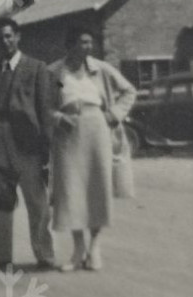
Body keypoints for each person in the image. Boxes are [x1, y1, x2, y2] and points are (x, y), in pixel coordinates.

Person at [47, 26, 137, 272]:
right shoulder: (53, 71)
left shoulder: (101, 69)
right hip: (68, 134)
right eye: (82, 42)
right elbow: (40, 104)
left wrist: (114, 114)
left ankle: (95, 248)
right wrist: (56, 117)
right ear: (70, 45)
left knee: (97, 188)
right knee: (71, 190)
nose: (87, 47)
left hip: (97, 130)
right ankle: (78, 250)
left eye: (90, 43)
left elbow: (129, 91)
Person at [0, 16, 59, 273]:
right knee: (1, 199)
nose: (5, 42)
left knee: (37, 202)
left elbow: (45, 109)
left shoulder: (36, 68)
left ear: (17, 36)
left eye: (8, 36)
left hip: (28, 143)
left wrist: (45, 148)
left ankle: (45, 254)